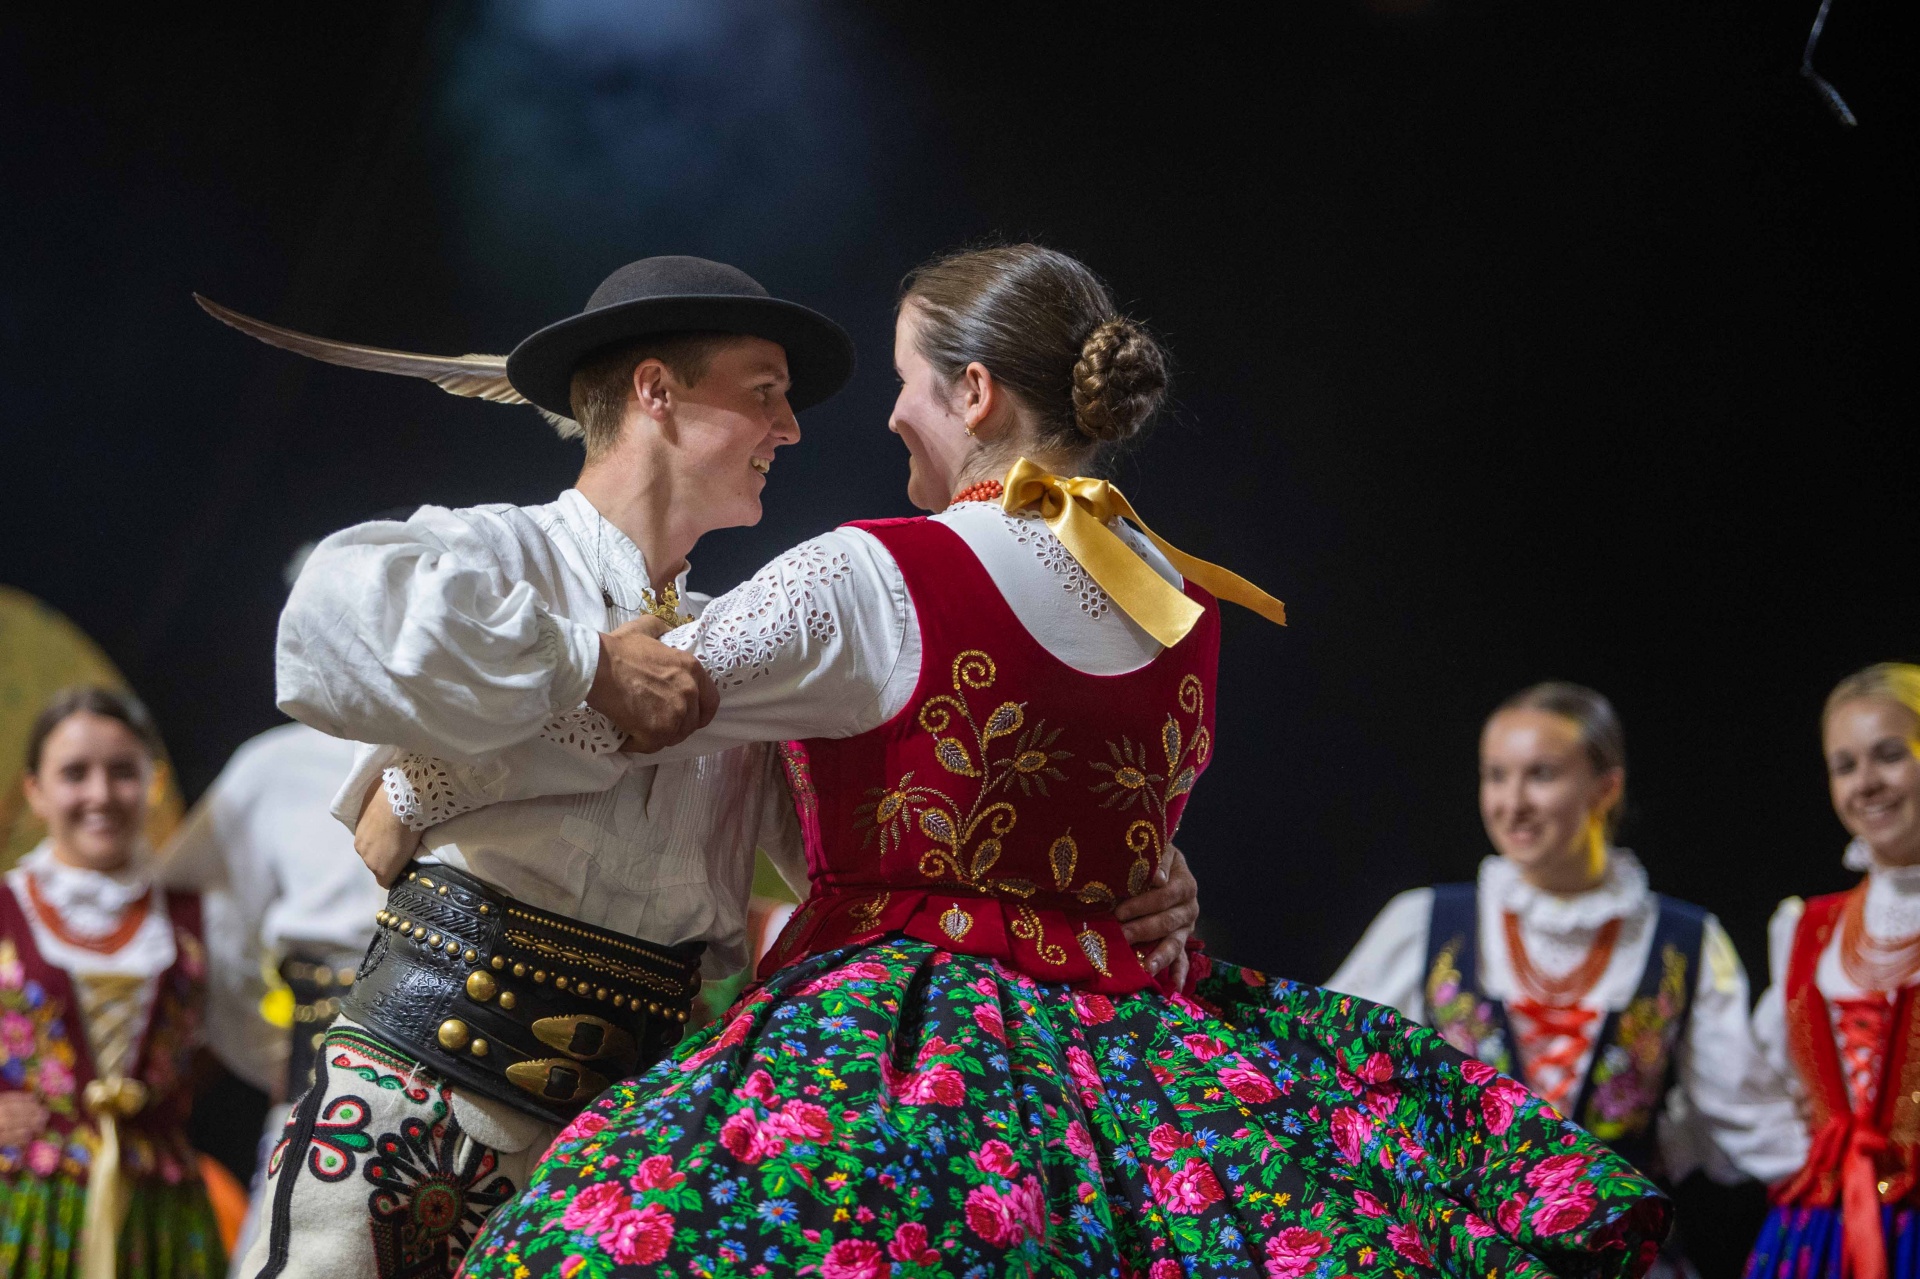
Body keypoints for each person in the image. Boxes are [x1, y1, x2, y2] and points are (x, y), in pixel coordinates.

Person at [453, 244, 1671, 1277]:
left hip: (909, 1038)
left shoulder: (877, 571)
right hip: (1136, 1047)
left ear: (974, 392)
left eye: (905, 383)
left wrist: (414, 787)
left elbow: (621, 711)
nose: (884, 416)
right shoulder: (1175, 596)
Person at [241, 254, 1210, 1279]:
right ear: (655, 390)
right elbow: (328, 624)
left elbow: (882, 849)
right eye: (765, 396)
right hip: (418, 1097)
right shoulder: (498, 558)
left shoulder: (741, 650)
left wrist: (1117, 874)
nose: (792, 430)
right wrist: (583, 661)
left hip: (622, 1161)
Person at [1329, 682, 1803, 1275]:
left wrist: (1865, 1184)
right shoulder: (1424, 923)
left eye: (1541, 775)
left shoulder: (1684, 941)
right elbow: (1328, 1075)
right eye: (1496, 776)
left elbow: (1742, 1116)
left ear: (1607, 787)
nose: (1512, 802)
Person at [0, 687, 224, 1279]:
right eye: (75, 773)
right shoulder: (4, 907)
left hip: (159, 1214)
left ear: (150, 783)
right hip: (21, 1206)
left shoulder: (198, 916)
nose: (100, 794)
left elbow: (247, 1037)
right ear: (35, 791)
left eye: (122, 772)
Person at [154, 717, 382, 1277]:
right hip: (322, 1074)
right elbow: (211, 929)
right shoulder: (276, 765)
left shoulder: (497, 736)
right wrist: (271, 1053)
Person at [1745, 663, 1920, 1279]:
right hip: (1819, 1236)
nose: (1866, 783)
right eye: (1845, 766)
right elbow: (1757, 1079)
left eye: (1889, 756)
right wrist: (1810, 1160)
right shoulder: (1807, 928)